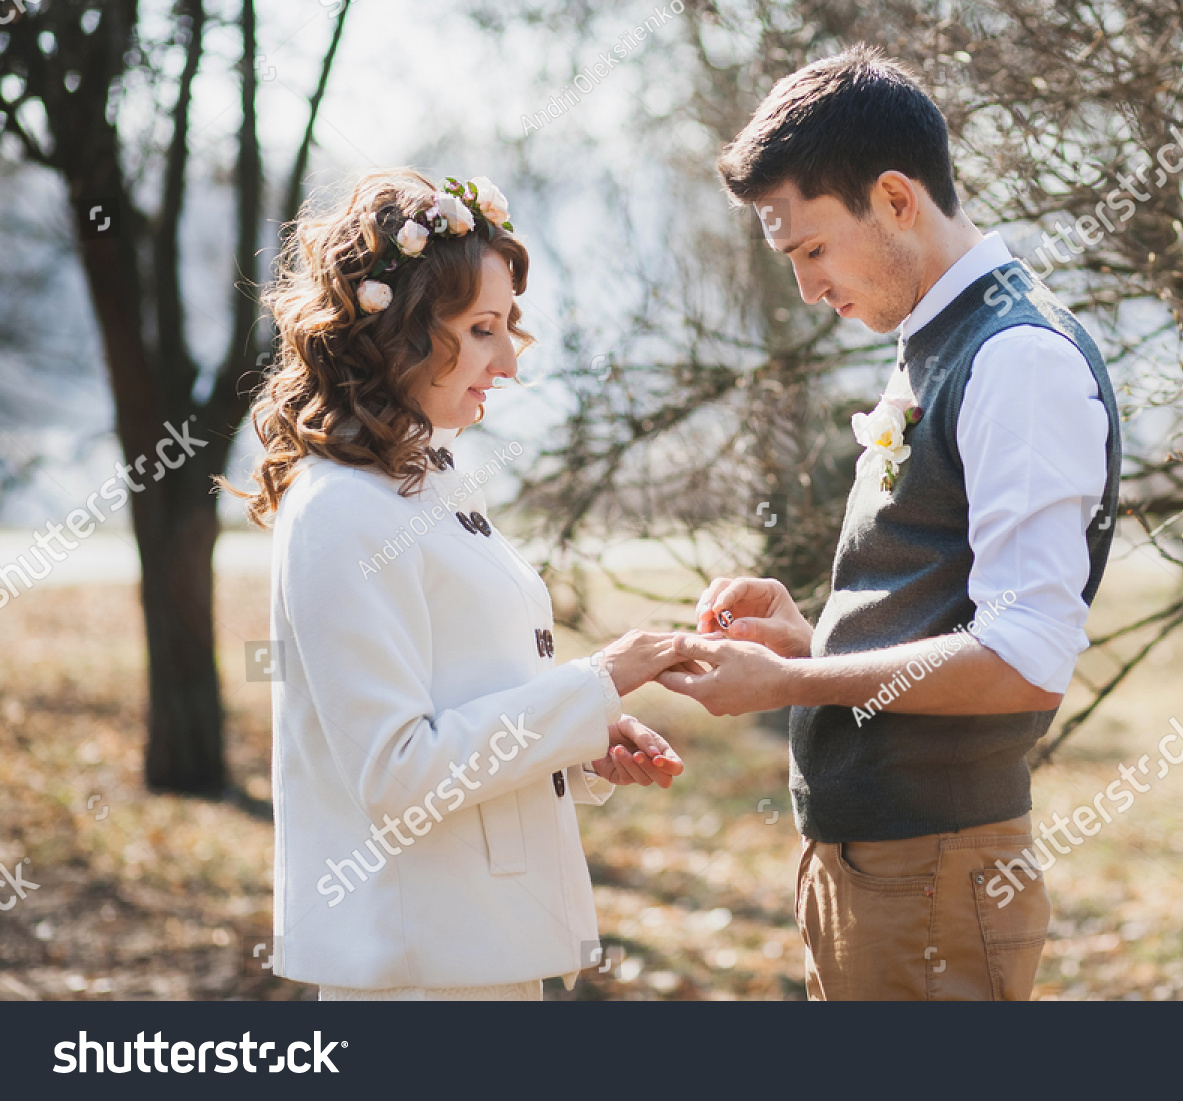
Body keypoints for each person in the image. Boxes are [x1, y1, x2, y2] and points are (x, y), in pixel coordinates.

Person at [657, 46, 1121, 1001]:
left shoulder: (1017, 360)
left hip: (935, 877)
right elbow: (943, 607)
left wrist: (791, 679)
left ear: (898, 200)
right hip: (894, 873)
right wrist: (814, 636)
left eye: (812, 250)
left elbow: (1025, 654)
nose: (806, 290)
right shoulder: (939, 337)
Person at [224, 168, 686, 1000]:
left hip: (478, 946)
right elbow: (399, 771)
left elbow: (470, 695)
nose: (508, 360)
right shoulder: (342, 510)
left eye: (508, 327)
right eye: (481, 329)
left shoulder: (424, 479)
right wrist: (598, 678)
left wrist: (589, 735)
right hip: (417, 969)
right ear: (397, 333)